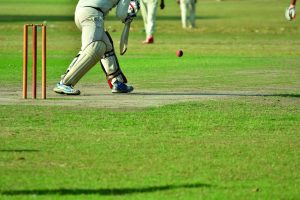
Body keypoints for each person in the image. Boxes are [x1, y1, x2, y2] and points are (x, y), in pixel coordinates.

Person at [53, 0, 139, 95]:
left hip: (81, 11)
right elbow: (120, 14)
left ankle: (117, 82)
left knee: (106, 46)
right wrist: (128, 16)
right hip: (92, 14)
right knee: (92, 48)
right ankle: (64, 83)